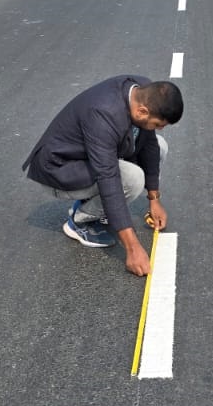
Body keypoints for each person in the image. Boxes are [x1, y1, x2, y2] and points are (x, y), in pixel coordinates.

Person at [22, 76, 183, 276]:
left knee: (160, 146)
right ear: (142, 112)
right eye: (159, 124)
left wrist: (154, 199)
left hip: (91, 158)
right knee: (132, 179)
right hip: (60, 168)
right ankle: (80, 220)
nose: (161, 128)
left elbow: (149, 146)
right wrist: (132, 248)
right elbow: (108, 178)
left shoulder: (143, 92)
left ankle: (95, 202)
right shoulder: (104, 113)